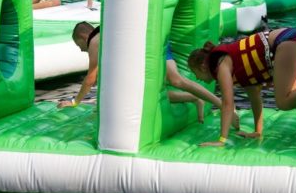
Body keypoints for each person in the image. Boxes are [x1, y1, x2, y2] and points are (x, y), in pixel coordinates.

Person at [57, 22, 232, 127]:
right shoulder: (105, 34)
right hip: (153, 44)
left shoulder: (94, 41)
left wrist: (75, 102)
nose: (81, 49)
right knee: (154, 91)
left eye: (78, 44)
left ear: (83, 36)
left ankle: (221, 104)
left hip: (151, 46)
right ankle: (194, 98)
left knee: (175, 81)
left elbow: (91, 78)